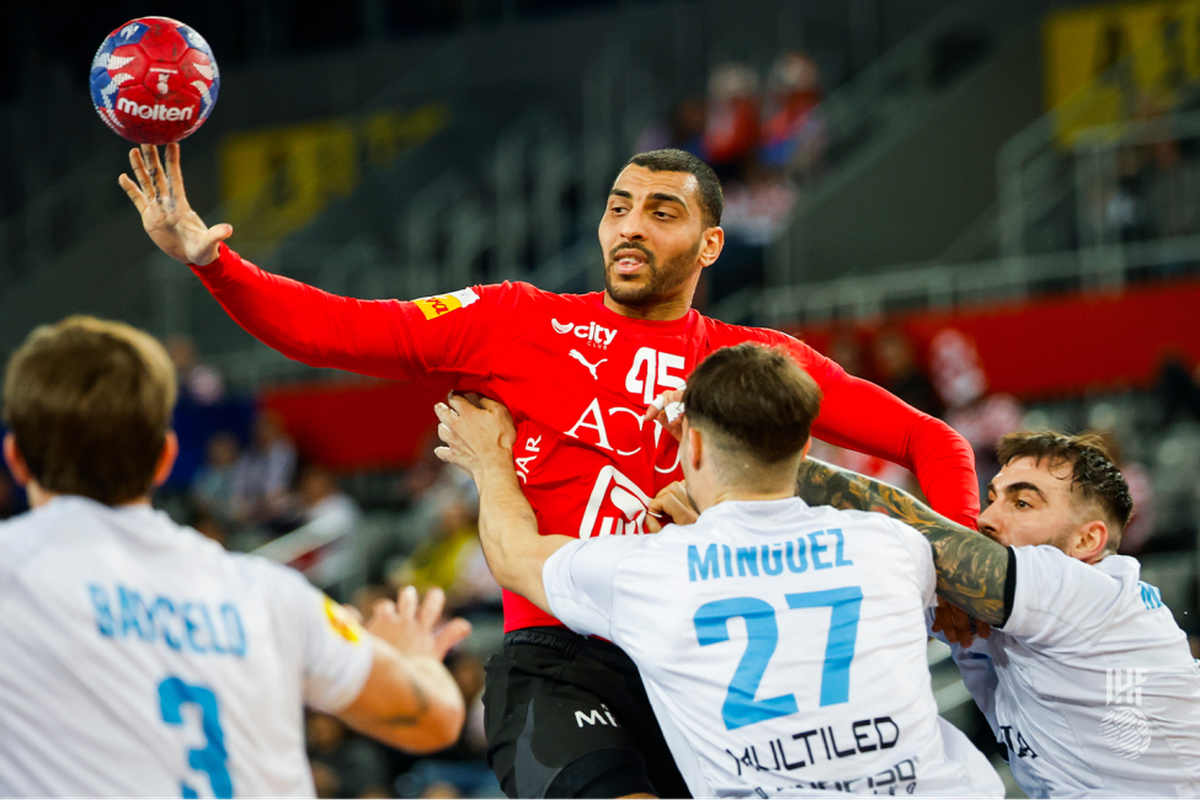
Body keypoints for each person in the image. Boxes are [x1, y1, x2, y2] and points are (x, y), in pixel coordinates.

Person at [121, 142, 979, 800]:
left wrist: (964, 581)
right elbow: (335, 329)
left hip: (701, 663)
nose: (631, 226)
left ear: (711, 243)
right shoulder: (515, 321)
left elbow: (936, 443)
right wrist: (211, 262)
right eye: (619, 207)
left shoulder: (751, 363)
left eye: (662, 212)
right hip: (558, 663)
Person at [432, 343, 1003, 797]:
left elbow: (512, 556)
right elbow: (904, 515)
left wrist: (490, 461)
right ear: (804, 444)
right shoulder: (893, 545)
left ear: (695, 446)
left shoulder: (651, 572)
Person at [0, 316, 469, 797]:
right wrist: (416, 662)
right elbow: (437, 719)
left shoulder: (13, 572)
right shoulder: (273, 594)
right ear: (164, 458)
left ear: (15, 458)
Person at [793, 431, 1200, 797]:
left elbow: (907, 527)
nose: (985, 520)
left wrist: (774, 464)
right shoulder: (1000, 602)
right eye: (992, 499)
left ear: (1086, 540)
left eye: (1022, 503)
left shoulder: (1094, 594)